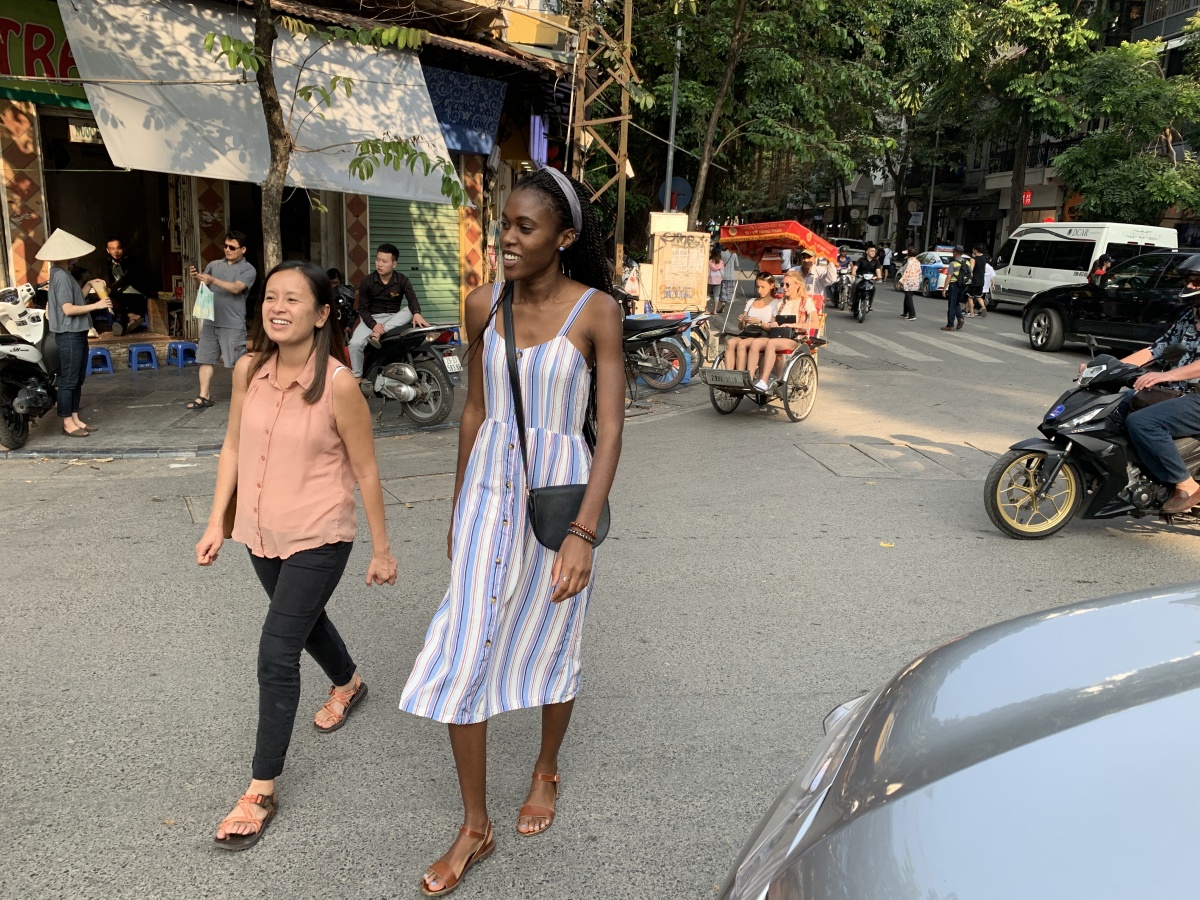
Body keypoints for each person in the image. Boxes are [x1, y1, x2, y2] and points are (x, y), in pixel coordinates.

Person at [399, 166, 624, 896]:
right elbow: (474, 412)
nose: (507, 238)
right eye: (504, 224)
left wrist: (583, 534)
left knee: (555, 638)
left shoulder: (596, 313)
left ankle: (546, 768)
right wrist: (457, 507)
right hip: (486, 499)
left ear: (562, 238)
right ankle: (475, 825)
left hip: (559, 504)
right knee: (464, 650)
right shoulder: (480, 304)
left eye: (525, 228)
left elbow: (613, 430)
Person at [196, 261, 397, 851]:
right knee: (304, 623)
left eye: (293, 299)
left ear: (321, 314)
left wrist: (381, 549)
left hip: (320, 533)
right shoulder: (247, 370)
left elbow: (365, 470)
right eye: (271, 298)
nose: (277, 308)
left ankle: (260, 788)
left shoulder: (337, 384)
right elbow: (233, 445)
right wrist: (217, 521)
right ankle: (350, 682)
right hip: (259, 531)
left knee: (276, 650)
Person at [38, 229, 111, 437]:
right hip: (69, 333)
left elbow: (76, 298)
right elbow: (68, 309)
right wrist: (96, 306)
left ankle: (75, 418)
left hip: (76, 332)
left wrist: (88, 284)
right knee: (69, 379)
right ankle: (67, 422)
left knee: (77, 378)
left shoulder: (63, 273)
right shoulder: (60, 275)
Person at [188, 231, 256, 410]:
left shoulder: (248, 269)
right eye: (225, 246)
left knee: (236, 363)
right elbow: (201, 287)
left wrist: (213, 279)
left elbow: (236, 288)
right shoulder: (214, 264)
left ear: (243, 249)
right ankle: (204, 396)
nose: (227, 250)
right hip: (211, 320)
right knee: (205, 359)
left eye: (232, 247)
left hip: (232, 323)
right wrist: (196, 278)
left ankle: (242, 398)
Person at [348, 244, 429, 380]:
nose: (379, 264)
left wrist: (417, 313)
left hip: (393, 319)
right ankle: (357, 376)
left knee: (410, 311)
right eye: (378, 260)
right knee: (355, 344)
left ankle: (379, 332)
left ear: (394, 264)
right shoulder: (367, 281)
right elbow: (362, 309)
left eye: (384, 261)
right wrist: (374, 325)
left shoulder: (402, 280)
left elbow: (412, 298)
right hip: (371, 319)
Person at [745, 270, 818, 392]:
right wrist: (772, 323)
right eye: (783, 284)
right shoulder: (780, 302)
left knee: (771, 343)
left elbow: (815, 323)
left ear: (797, 285)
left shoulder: (805, 301)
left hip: (794, 338)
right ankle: (750, 378)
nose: (784, 288)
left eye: (787, 285)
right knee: (756, 343)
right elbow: (771, 322)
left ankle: (763, 380)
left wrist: (794, 324)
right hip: (777, 335)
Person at [724, 272, 779, 371]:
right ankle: (729, 374)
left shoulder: (775, 303)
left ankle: (740, 375)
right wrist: (741, 320)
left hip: (762, 333)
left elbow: (771, 327)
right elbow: (741, 327)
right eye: (758, 287)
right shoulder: (751, 301)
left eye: (763, 287)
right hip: (748, 332)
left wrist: (758, 322)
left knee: (742, 344)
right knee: (730, 342)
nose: (759, 290)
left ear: (771, 286)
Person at [100, 237, 150, 335]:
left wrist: (110, 289)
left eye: (118, 248)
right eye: (112, 248)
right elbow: (110, 279)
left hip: (137, 295)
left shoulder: (130, 261)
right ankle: (131, 318)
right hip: (121, 295)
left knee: (112, 297)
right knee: (107, 298)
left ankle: (124, 322)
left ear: (123, 249)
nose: (116, 251)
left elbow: (125, 279)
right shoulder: (109, 262)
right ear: (108, 250)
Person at [940, 246, 971, 332]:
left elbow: (949, 276)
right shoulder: (967, 262)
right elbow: (970, 274)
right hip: (963, 286)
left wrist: (944, 289)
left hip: (954, 285)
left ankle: (950, 325)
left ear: (956, 252)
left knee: (951, 305)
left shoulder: (953, 263)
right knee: (957, 303)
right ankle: (960, 318)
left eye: (953, 252)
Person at [850, 246, 883, 317]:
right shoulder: (861, 259)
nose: (873, 252)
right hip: (861, 277)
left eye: (874, 251)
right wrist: (853, 272)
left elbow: (878, 270)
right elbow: (855, 267)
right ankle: (852, 301)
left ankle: (869, 304)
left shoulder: (876, 261)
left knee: (873, 288)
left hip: (871, 278)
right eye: (871, 251)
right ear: (867, 252)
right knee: (855, 283)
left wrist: (879, 276)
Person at [966, 244, 990, 318]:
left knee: (970, 297)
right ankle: (983, 307)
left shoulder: (973, 259)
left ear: (975, 250)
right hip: (981, 280)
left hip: (974, 280)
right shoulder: (984, 259)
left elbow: (971, 270)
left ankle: (972, 313)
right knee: (979, 296)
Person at [898, 250, 922, 320]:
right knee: (908, 297)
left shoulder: (909, 262)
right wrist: (919, 281)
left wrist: (900, 281)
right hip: (914, 281)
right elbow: (920, 273)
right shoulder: (917, 262)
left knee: (908, 298)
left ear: (909, 254)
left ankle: (912, 314)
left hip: (909, 281)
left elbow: (906, 272)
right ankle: (905, 312)